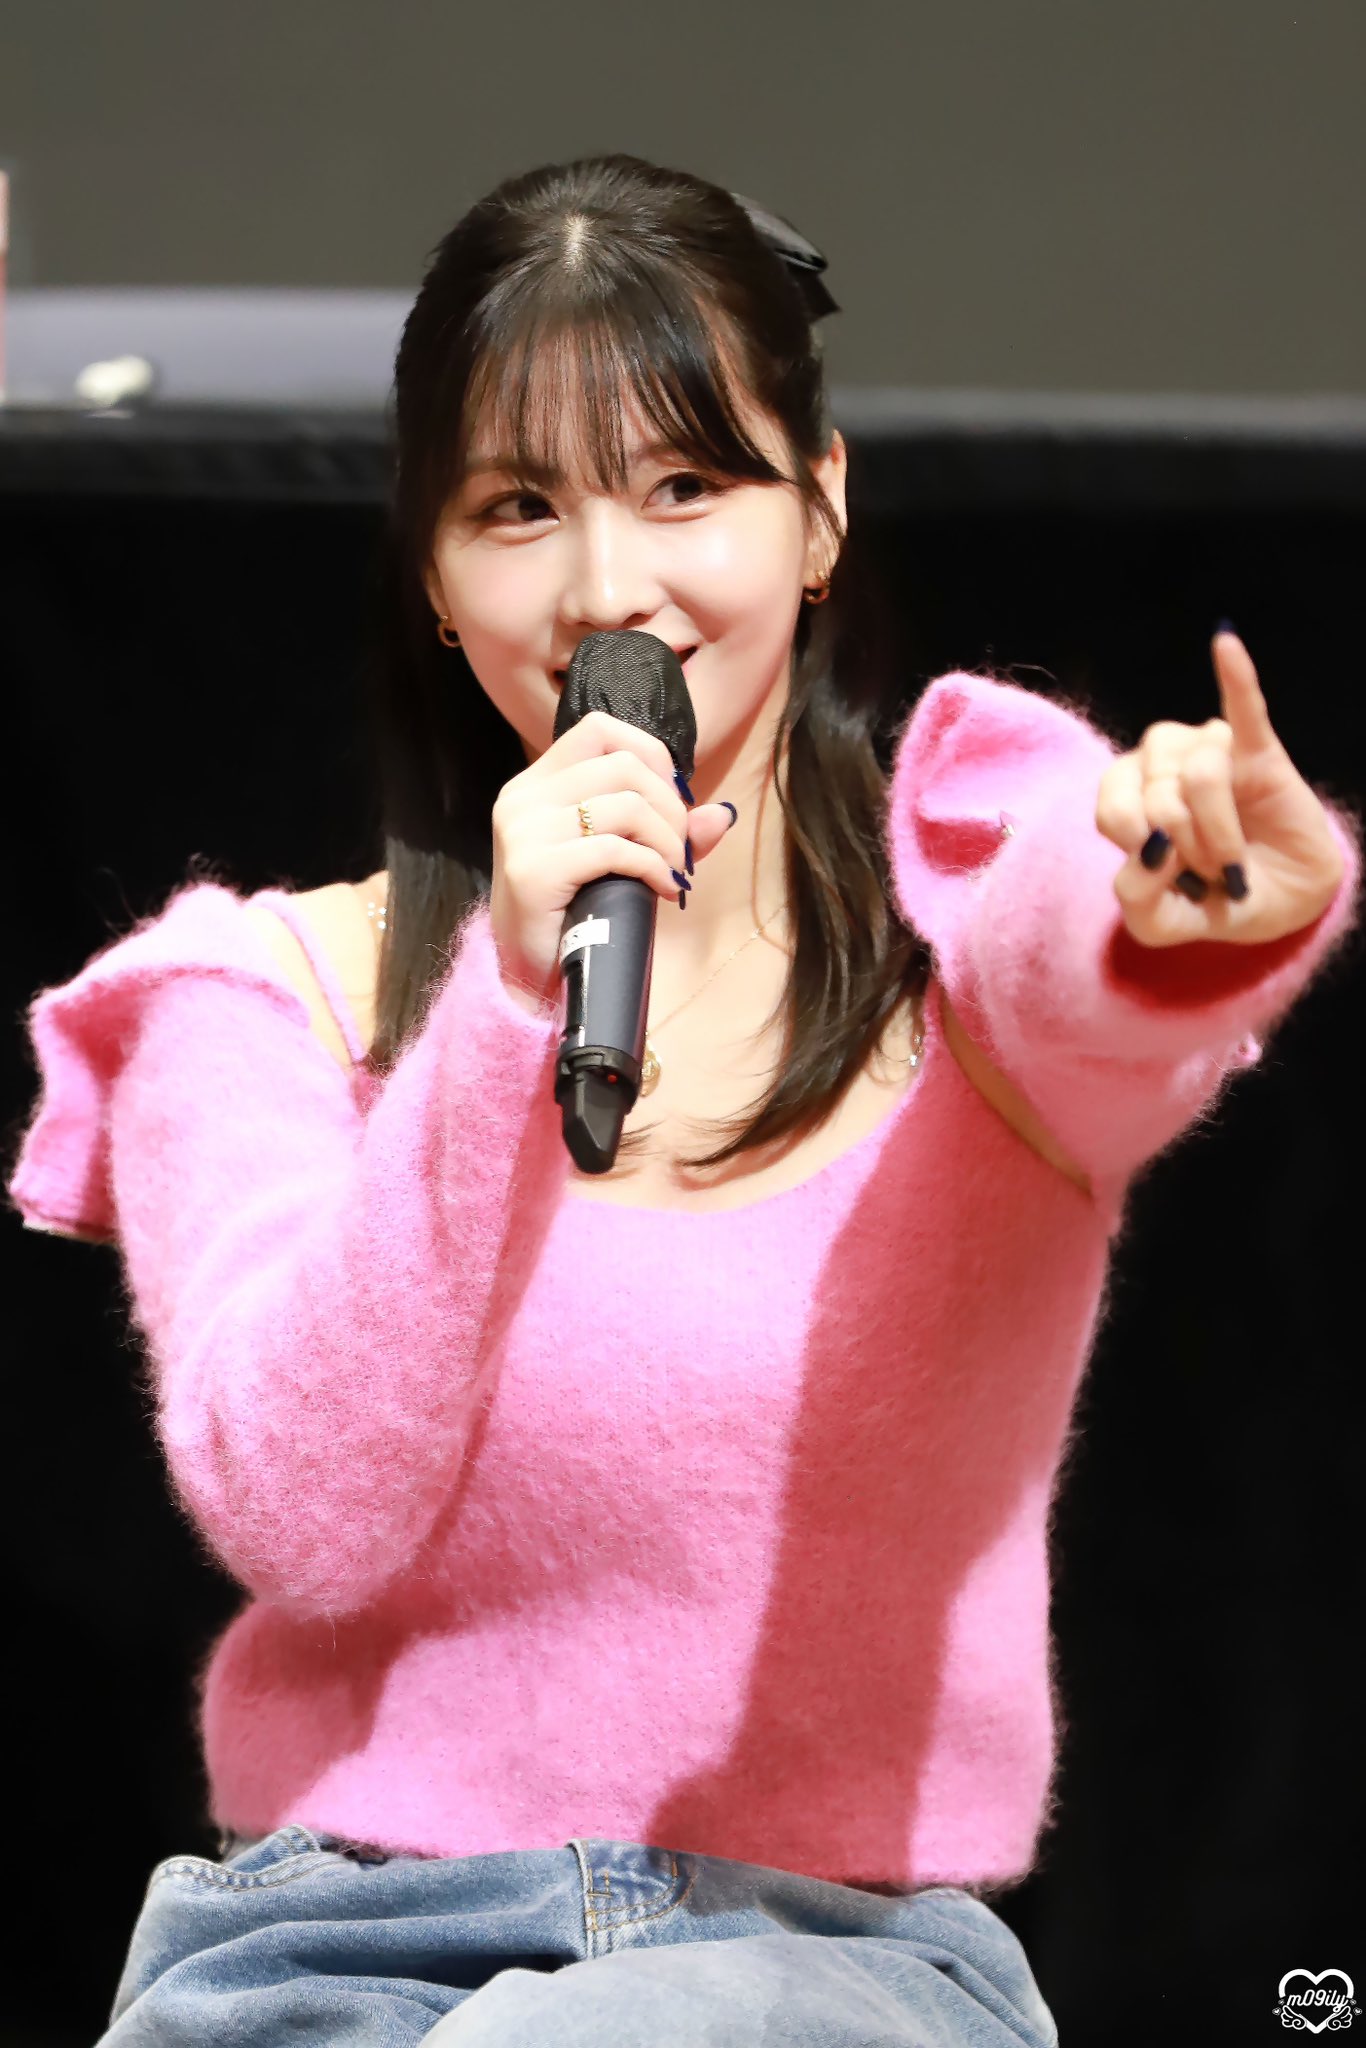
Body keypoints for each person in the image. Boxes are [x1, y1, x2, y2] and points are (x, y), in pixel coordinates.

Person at [6, 152, 1360, 2046]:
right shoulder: (253, 1000)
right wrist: (498, 1011)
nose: (604, 589)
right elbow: (299, 1516)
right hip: (319, 1960)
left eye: (683, 487)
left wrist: (1190, 910)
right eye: (517, 507)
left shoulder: (965, 920)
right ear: (432, 571)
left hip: (832, 1966)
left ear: (818, 509)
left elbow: (1088, 943)